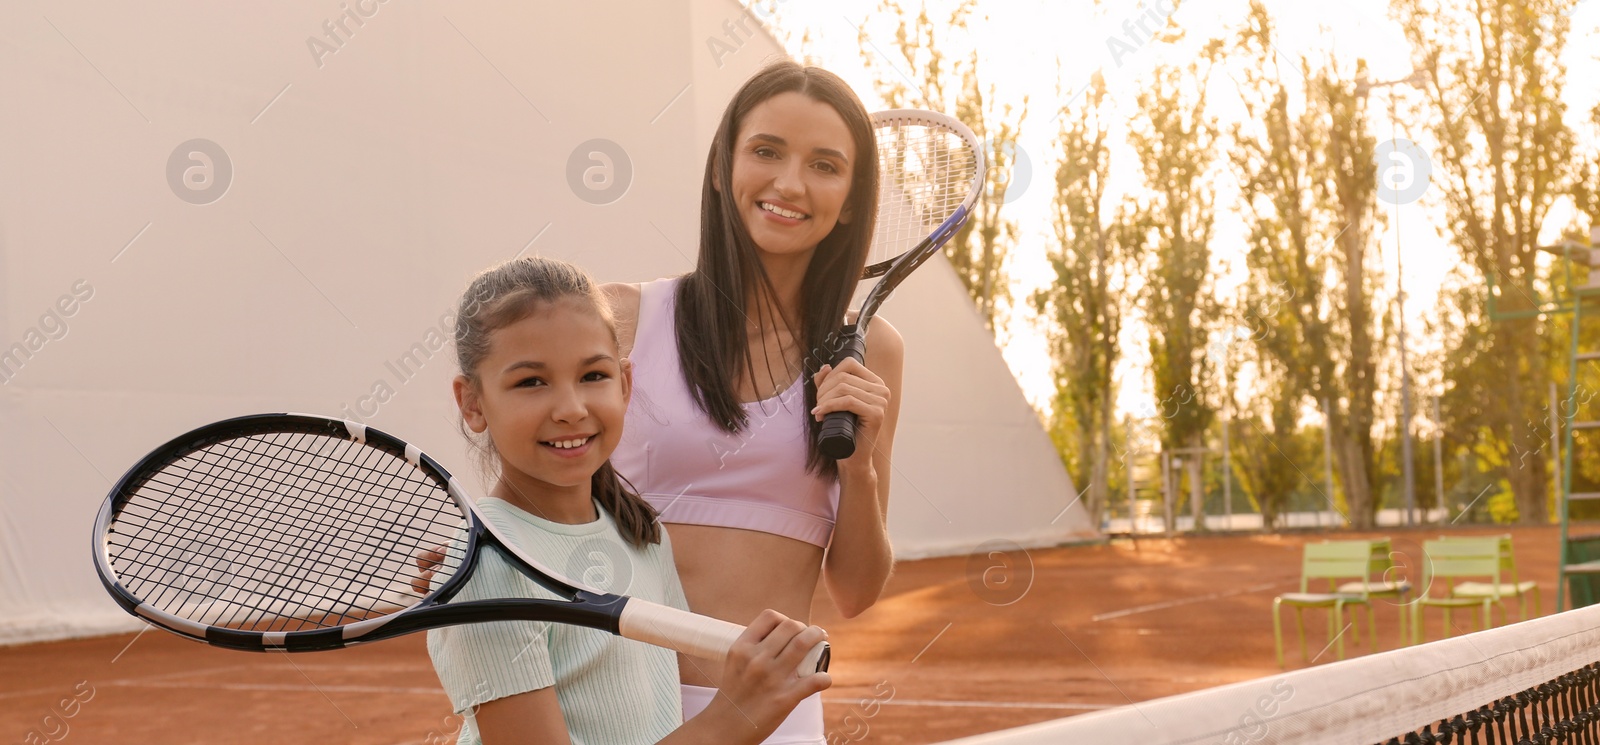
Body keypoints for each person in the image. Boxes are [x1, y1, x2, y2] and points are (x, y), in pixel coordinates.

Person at [604, 60, 902, 743]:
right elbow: (548, 495)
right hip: (611, 698)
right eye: (766, 151)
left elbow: (856, 591)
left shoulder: (875, 349)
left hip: (775, 716)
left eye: (825, 165)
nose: (789, 183)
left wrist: (859, 470)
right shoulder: (621, 316)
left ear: (852, 199)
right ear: (721, 167)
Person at [427, 256, 831, 745]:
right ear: (472, 403)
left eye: (592, 376)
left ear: (625, 383)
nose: (571, 409)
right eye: (530, 382)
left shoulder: (640, 534)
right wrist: (736, 717)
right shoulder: (488, 567)